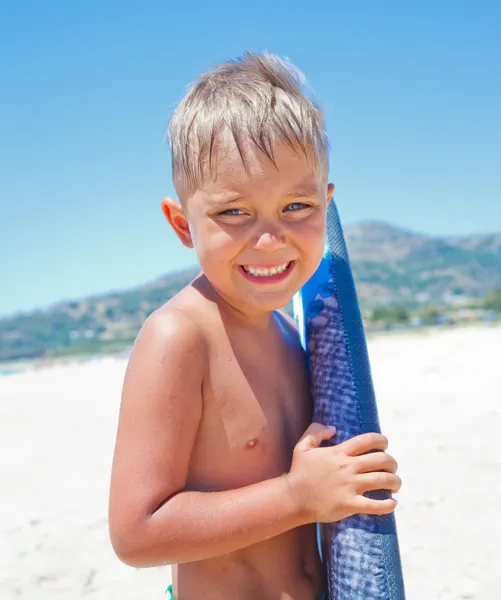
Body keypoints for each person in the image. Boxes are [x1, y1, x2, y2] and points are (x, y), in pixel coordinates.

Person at [108, 51, 401, 600]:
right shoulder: (179, 337)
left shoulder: (297, 337)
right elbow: (136, 533)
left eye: (296, 206)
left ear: (327, 203)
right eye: (234, 213)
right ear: (181, 224)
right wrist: (298, 496)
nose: (270, 239)